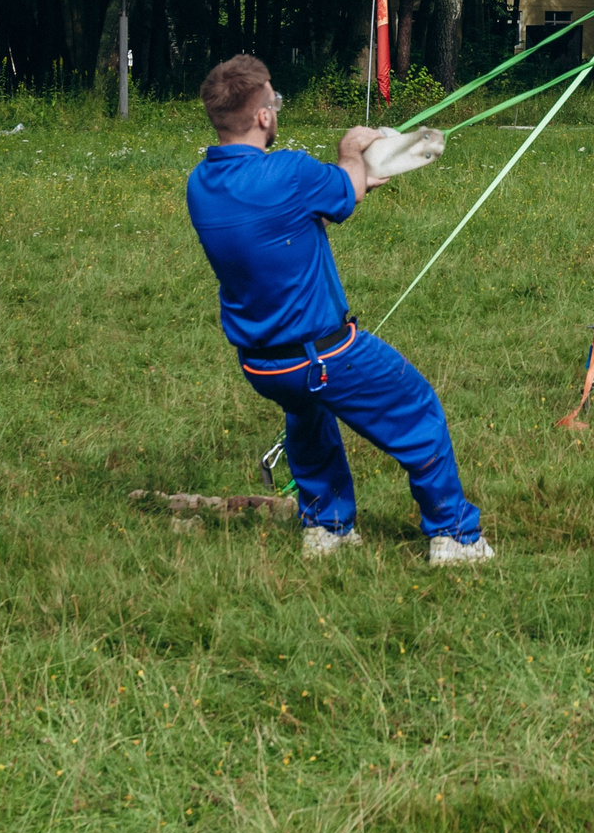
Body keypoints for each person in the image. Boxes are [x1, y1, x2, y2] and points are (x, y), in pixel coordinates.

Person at [185, 54, 492, 565]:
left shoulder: (202, 184)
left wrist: (361, 171)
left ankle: (328, 530)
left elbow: (323, 198)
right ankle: (455, 537)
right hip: (322, 356)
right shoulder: (288, 171)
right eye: (274, 102)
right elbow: (346, 189)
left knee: (308, 420)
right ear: (263, 116)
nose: (276, 110)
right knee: (418, 413)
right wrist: (354, 148)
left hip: (264, 365)